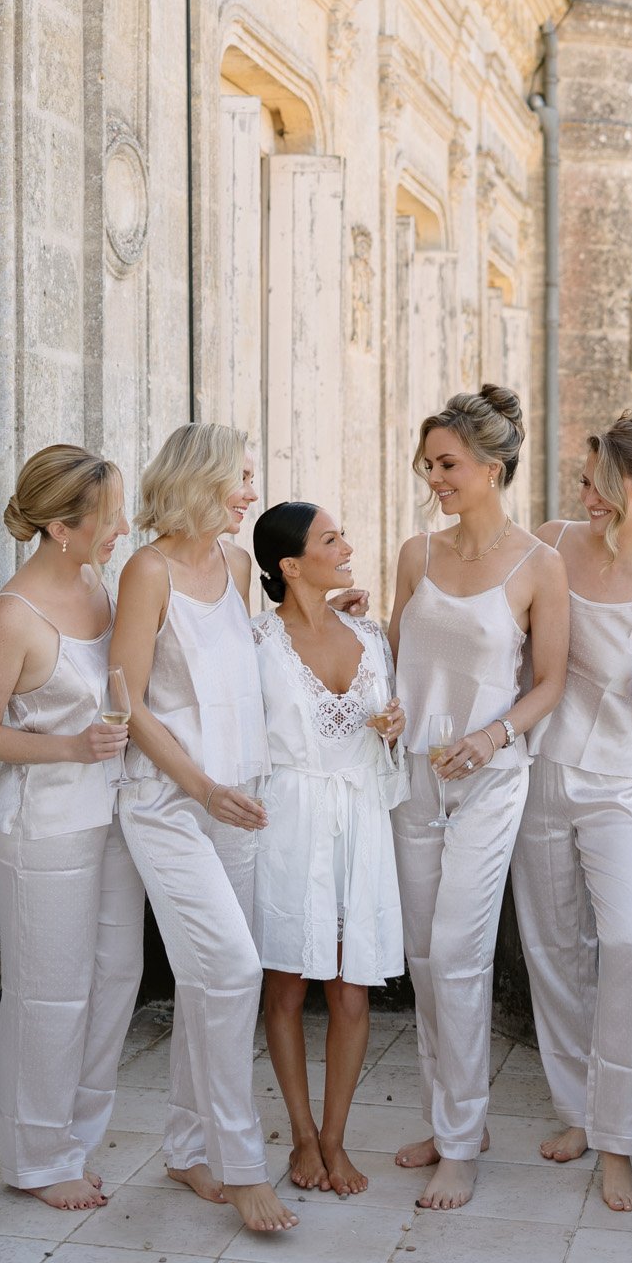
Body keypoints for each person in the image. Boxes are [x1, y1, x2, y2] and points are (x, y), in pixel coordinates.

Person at [510, 407, 632, 1212]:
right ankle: (577, 1113)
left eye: (600, 486)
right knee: (553, 949)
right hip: (538, 774)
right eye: (583, 483)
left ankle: (617, 1142)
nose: (586, 498)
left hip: (618, 786)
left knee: (629, 942)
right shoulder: (552, 543)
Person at [388, 384, 569, 1210]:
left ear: (492, 468)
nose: (435, 477)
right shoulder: (414, 555)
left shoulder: (539, 565)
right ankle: (448, 1116)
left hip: (490, 779)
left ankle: (459, 1144)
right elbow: (393, 658)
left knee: (459, 956)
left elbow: (551, 682)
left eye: (448, 463)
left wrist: (491, 737)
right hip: (412, 777)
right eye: (428, 464)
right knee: (425, 960)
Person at [108, 423, 291, 1234]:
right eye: (239, 478)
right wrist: (201, 786)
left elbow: (248, 672)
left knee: (207, 984)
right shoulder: (145, 569)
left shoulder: (239, 565)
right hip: (169, 802)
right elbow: (127, 702)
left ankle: (186, 1150)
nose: (250, 493)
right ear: (198, 480)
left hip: (238, 798)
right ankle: (241, 1164)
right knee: (231, 971)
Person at [0, 444, 143, 1212]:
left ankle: (75, 1138)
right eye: (108, 518)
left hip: (115, 813)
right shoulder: (13, 617)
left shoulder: (99, 586)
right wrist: (70, 746)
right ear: (63, 527)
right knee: (47, 994)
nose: (123, 529)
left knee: (115, 976)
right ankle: (35, 1158)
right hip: (45, 826)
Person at [251, 502, 407, 1199]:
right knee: (284, 984)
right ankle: (301, 1136)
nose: (346, 545)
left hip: (361, 820)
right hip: (289, 822)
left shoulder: (370, 636)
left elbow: (387, 732)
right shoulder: (253, 641)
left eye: (343, 533)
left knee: (352, 988)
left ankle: (337, 1140)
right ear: (289, 565)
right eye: (330, 538)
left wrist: (396, 724)